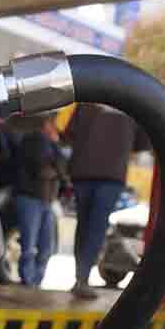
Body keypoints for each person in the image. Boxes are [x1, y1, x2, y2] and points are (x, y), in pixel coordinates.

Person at [63, 104, 149, 300]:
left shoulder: (87, 101)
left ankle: (80, 277)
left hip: (81, 171)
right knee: (96, 227)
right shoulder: (134, 104)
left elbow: (68, 134)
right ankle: (82, 280)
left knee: (84, 225)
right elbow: (142, 143)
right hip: (111, 174)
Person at [11, 113, 67, 287]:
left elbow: (58, 168)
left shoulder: (50, 145)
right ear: (46, 125)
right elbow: (44, 167)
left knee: (42, 246)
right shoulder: (34, 141)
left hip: (45, 200)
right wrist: (56, 169)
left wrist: (56, 168)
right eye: (53, 126)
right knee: (32, 245)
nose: (56, 130)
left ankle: (33, 281)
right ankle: (29, 281)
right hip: (32, 199)